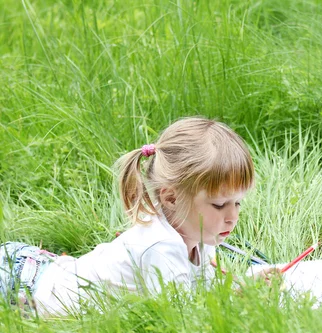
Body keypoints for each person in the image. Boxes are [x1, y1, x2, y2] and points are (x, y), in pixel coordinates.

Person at [0, 117, 257, 316]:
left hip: (43, 269)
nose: (232, 216)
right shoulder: (161, 248)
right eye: (220, 204)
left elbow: (204, 289)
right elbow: (186, 319)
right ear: (171, 198)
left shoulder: (196, 230)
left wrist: (249, 283)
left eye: (237, 203)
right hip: (23, 284)